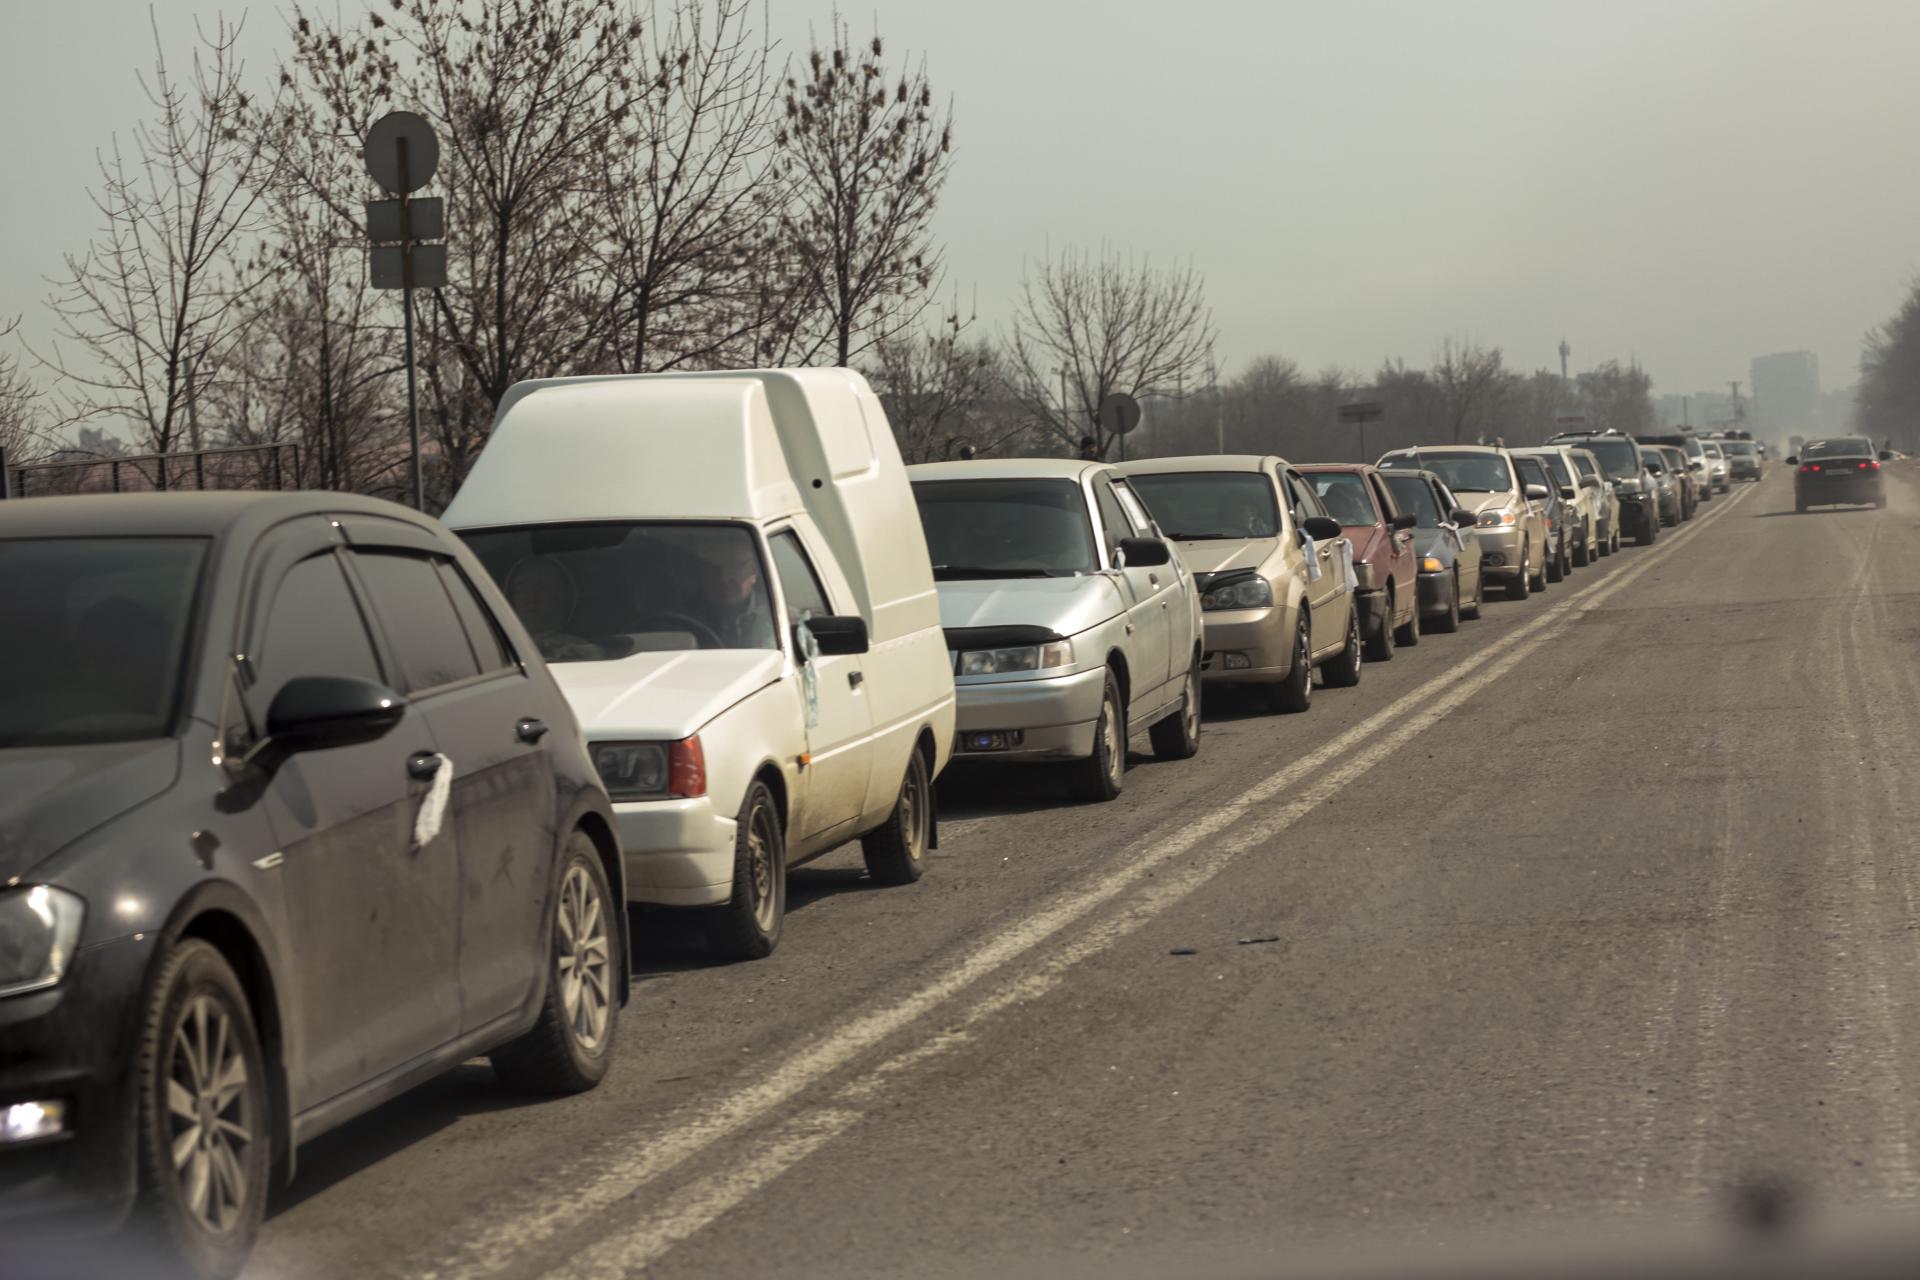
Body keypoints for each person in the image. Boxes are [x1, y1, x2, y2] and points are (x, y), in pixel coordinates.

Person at [505, 556, 603, 661]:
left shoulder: (583, 652)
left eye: (543, 588)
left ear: (564, 596)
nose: (531, 597)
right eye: (521, 589)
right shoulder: (498, 646)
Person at [697, 537, 777, 649]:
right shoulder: (681, 617)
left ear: (753, 571)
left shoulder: (778, 618)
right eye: (712, 569)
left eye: (733, 567)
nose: (723, 578)